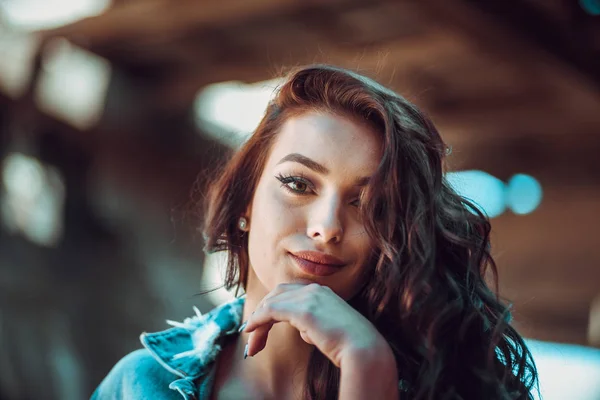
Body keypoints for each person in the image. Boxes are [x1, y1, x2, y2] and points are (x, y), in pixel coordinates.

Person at [92, 64, 538, 399]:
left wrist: (367, 366)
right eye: (298, 184)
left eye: (369, 205)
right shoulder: (140, 385)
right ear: (246, 201)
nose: (326, 227)